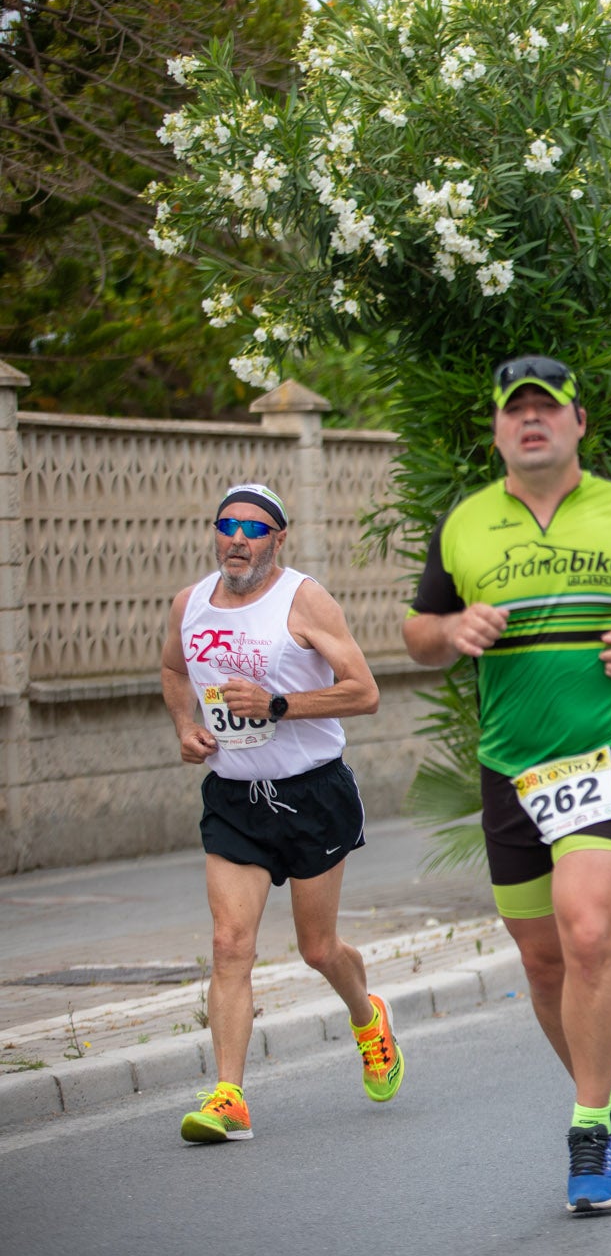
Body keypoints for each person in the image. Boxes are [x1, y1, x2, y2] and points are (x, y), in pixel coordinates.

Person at [403, 355, 611, 1212]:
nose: (530, 420)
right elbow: (416, 630)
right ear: (499, 428)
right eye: (516, 410)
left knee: (586, 933)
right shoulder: (465, 523)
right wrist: (450, 628)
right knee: (543, 961)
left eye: (547, 408)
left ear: (579, 422)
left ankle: (588, 1128)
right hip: (512, 763)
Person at [161, 483, 399, 1143]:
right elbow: (173, 669)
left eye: (254, 527)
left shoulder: (305, 599)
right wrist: (184, 726)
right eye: (227, 524)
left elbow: (366, 691)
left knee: (318, 947)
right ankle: (229, 1096)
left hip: (311, 792)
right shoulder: (191, 603)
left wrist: (279, 704)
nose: (237, 537)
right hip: (235, 798)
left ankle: (367, 1015)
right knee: (229, 944)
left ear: (278, 538)